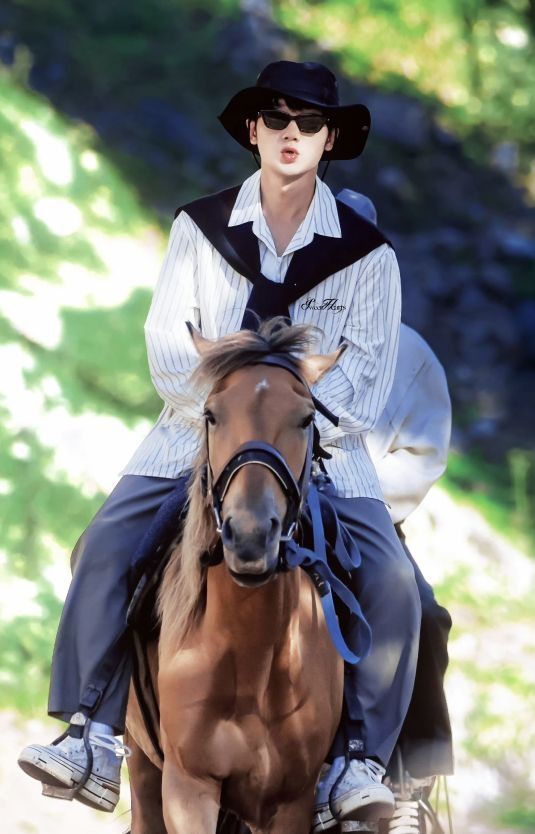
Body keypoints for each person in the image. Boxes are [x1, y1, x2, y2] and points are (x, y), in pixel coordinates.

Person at [18, 61, 421, 830]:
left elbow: (365, 383)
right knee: (103, 547)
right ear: (252, 131)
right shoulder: (198, 230)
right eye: (278, 121)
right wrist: (235, 410)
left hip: (321, 448)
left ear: (329, 139)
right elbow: (170, 349)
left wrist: (286, 415)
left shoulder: (369, 255)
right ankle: (92, 730)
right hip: (194, 436)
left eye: (309, 123)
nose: (292, 134)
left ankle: (358, 761)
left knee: (396, 583)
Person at [338, 190, 454, 834]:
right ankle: (107, 730)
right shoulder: (275, 330)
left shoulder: (411, 354)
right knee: (153, 565)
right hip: (269, 503)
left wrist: (358, 489)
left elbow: (423, 453)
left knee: (425, 616)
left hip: (369, 516)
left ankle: (407, 780)